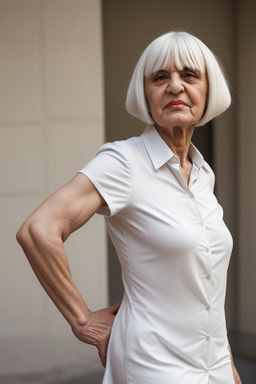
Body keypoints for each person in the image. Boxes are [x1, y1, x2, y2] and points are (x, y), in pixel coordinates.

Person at [17, 31, 242, 383]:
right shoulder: (124, 161)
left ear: (209, 90)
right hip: (153, 365)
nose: (175, 87)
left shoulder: (202, 174)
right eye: (160, 77)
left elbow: (208, 292)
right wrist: (84, 321)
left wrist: (227, 366)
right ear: (145, 93)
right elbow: (38, 230)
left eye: (189, 75)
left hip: (213, 365)